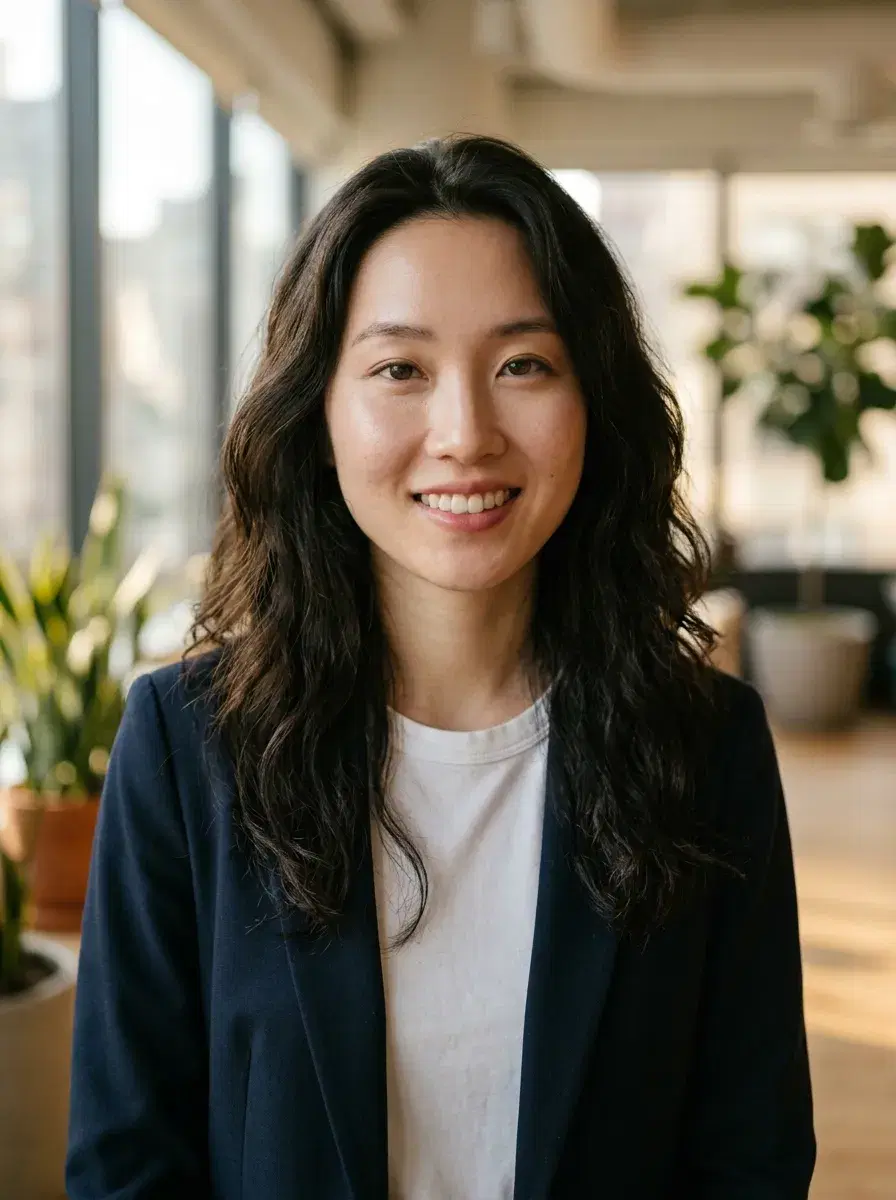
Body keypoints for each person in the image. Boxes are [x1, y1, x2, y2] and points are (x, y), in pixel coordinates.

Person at [66, 134, 816, 1199]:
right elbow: (127, 1166)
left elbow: (749, 1160)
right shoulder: (186, 749)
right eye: (398, 371)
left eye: (521, 364)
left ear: (590, 404)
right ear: (317, 415)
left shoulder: (705, 747)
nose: (463, 433)